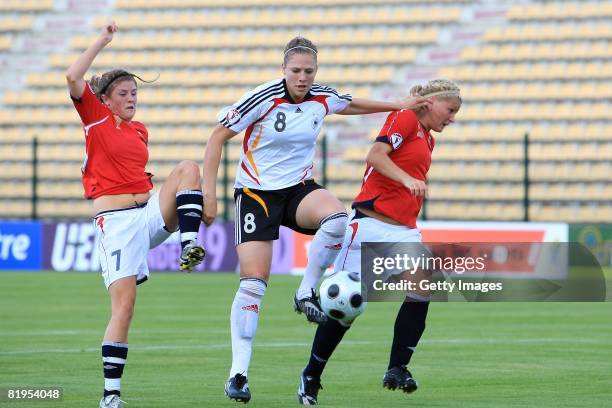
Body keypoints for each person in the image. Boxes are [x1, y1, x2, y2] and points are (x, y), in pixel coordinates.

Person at [202, 35, 431, 403]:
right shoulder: (262, 97)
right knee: (254, 284)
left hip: (297, 190)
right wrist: (209, 194)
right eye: (296, 70)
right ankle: (239, 373)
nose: (303, 76)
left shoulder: (321, 96)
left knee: (337, 217)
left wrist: (398, 103)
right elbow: (216, 139)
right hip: (256, 195)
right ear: (283, 70)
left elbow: (351, 104)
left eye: (309, 70)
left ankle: (306, 290)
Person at [65, 21, 206, 408]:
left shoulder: (139, 130)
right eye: (124, 93)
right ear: (105, 100)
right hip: (117, 225)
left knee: (188, 169)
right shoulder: (94, 118)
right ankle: (111, 395)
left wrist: (190, 203)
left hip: (146, 213)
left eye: (134, 93)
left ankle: (189, 243)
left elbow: (143, 179)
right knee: (124, 306)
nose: (131, 98)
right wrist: (102, 40)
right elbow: (73, 76)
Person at [296, 79, 462, 405]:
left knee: (423, 284)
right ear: (431, 104)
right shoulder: (405, 118)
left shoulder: (427, 138)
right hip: (369, 228)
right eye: (450, 110)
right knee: (346, 310)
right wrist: (407, 179)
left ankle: (397, 368)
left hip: (402, 233)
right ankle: (312, 374)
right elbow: (375, 155)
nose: (453, 117)